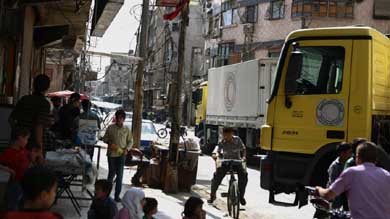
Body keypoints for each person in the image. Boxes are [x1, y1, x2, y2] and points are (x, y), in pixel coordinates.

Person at [315, 141, 390, 219]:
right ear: (376, 160)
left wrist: (318, 190)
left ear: (357, 158)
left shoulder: (351, 173)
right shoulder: (387, 175)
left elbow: (328, 195)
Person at [9, 74, 51, 159]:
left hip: (17, 143)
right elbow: (39, 126)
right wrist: (39, 149)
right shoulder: (44, 103)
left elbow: (11, 119)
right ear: (47, 87)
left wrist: (18, 135)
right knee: (30, 169)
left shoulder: (24, 99)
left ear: (33, 85)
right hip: (32, 146)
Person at [104, 110, 142, 201]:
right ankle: (106, 195)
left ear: (123, 119)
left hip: (122, 155)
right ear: (115, 118)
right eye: (117, 118)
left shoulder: (126, 129)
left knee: (120, 176)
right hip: (111, 155)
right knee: (111, 175)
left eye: (121, 118)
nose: (119, 120)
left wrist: (127, 149)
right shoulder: (110, 128)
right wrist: (109, 142)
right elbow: (105, 138)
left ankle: (117, 196)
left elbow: (130, 141)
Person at [208, 127, 248, 205]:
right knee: (216, 176)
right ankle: (212, 195)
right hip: (226, 162)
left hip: (237, 162)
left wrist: (244, 157)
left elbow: (243, 149)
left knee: (244, 175)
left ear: (232, 133)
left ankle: (241, 196)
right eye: (225, 135)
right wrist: (216, 156)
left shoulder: (237, 140)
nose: (226, 137)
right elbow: (218, 151)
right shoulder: (222, 141)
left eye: (228, 135)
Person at [0, 128, 31, 210]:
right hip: (15, 184)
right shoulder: (9, 152)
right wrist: (8, 169)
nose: (27, 141)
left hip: (24, 182)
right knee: (12, 205)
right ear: (20, 138)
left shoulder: (23, 150)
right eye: (26, 139)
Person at [327, 142, 352, 209]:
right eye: (349, 152)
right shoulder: (334, 166)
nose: (351, 155)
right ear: (342, 153)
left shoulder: (350, 163)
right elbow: (333, 184)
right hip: (337, 195)